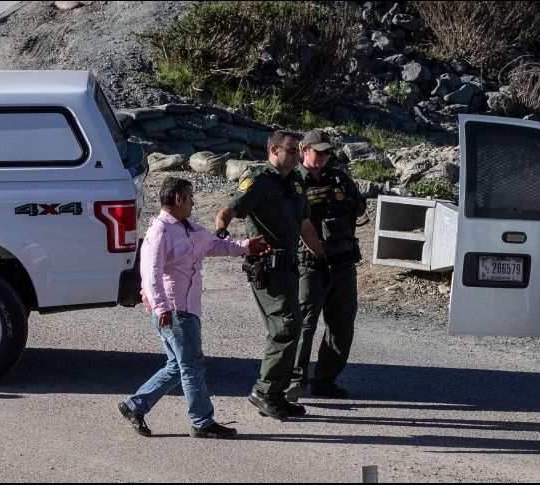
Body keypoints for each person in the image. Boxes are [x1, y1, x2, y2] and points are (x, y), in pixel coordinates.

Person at [118, 176, 269, 439]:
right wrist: (162, 307)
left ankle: (135, 406)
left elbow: (214, 245)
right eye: (190, 197)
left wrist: (246, 247)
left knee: (179, 365)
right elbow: (150, 273)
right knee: (192, 366)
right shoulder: (161, 231)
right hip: (174, 311)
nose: (193, 203)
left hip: (185, 309)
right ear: (178, 199)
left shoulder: (187, 228)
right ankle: (202, 421)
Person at [214, 130, 327, 422]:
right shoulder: (259, 180)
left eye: (297, 151)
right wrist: (221, 231)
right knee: (286, 327)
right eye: (290, 151)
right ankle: (263, 391)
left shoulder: (296, 182)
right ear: (274, 151)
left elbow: (305, 226)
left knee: (292, 327)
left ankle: (275, 394)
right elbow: (229, 210)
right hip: (267, 267)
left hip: (290, 266)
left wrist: (321, 257)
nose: (295, 156)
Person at [285, 129, 366, 402]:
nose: (322, 157)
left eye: (327, 153)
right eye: (317, 152)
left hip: (343, 263)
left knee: (341, 325)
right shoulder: (293, 180)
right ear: (304, 150)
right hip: (310, 265)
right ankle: (295, 379)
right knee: (304, 323)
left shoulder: (340, 179)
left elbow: (359, 207)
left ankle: (325, 380)